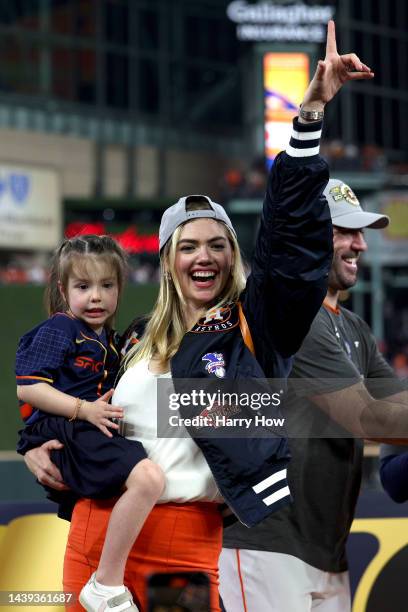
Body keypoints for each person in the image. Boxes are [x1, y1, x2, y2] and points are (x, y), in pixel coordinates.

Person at [23, 20, 353, 612]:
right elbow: (64, 397)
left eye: (218, 244)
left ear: (234, 255)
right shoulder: (130, 338)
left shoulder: (256, 326)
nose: (204, 256)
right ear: (170, 260)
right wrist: (34, 445)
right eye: (188, 245)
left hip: (187, 541)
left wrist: (306, 123)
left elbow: (295, 251)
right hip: (95, 536)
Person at [219, 178, 408, 610]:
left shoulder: (351, 325)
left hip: (324, 548)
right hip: (267, 543)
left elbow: (395, 406)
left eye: (360, 233)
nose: (360, 245)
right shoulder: (293, 315)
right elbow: (370, 420)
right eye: (344, 231)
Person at [16, 235, 164, 612]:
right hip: (68, 428)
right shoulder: (60, 329)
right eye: (83, 286)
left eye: (106, 285)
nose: (95, 296)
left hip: (85, 432)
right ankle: (105, 583)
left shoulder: (114, 340)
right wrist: (83, 410)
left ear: (120, 288)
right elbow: (29, 389)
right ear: (64, 290)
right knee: (147, 477)